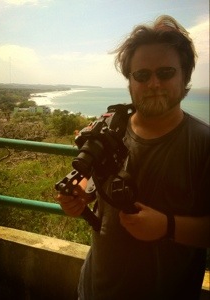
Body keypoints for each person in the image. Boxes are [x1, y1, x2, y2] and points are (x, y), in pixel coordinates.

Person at [57, 15, 210, 300]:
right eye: (142, 75)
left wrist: (167, 226)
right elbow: (97, 181)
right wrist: (83, 193)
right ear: (130, 80)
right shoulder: (110, 129)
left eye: (165, 73)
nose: (153, 83)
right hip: (94, 290)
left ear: (185, 75)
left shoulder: (203, 144)